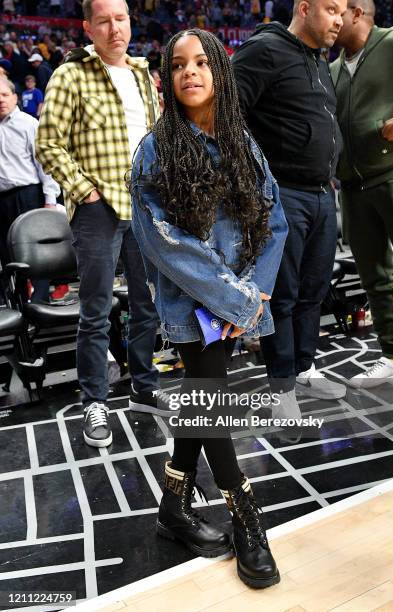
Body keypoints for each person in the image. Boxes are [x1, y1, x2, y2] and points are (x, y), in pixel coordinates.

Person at [131, 28, 288, 589]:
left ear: (219, 72)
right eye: (178, 65)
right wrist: (236, 298)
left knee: (202, 399)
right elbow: (164, 243)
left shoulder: (243, 142)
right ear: (168, 80)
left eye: (201, 62)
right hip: (191, 304)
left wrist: (259, 289)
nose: (190, 72)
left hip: (239, 298)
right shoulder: (154, 151)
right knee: (214, 403)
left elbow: (274, 219)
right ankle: (249, 523)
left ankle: (173, 509)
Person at [36, 0, 170, 450]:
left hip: (144, 206)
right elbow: (48, 143)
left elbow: (154, 138)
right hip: (98, 209)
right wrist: (83, 190)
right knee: (94, 310)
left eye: (122, 19)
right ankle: (95, 400)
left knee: (147, 303)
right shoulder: (70, 75)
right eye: (105, 21)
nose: (115, 29)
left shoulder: (139, 73)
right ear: (87, 27)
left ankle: (144, 386)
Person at [232, 0, 347, 413]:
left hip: (321, 192)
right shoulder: (265, 49)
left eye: (344, 11)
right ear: (304, 7)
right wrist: (251, 181)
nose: (339, 19)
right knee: (282, 293)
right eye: (332, 9)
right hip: (282, 193)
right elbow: (228, 111)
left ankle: (303, 366)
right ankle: (281, 385)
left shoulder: (318, 61)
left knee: (313, 289)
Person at [331, 0, 393, 387]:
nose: (331, 20)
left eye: (337, 12)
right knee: (375, 278)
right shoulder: (330, 69)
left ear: (357, 13)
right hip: (354, 188)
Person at [0, 77, 59, 303]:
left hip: (27, 195)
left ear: (15, 97)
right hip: (1, 200)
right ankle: (18, 303)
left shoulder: (28, 123)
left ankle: (40, 301)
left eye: (5, 95)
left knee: (35, 252)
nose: (0, 100)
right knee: (7, 255)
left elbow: (44, 165)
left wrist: (50, 199)